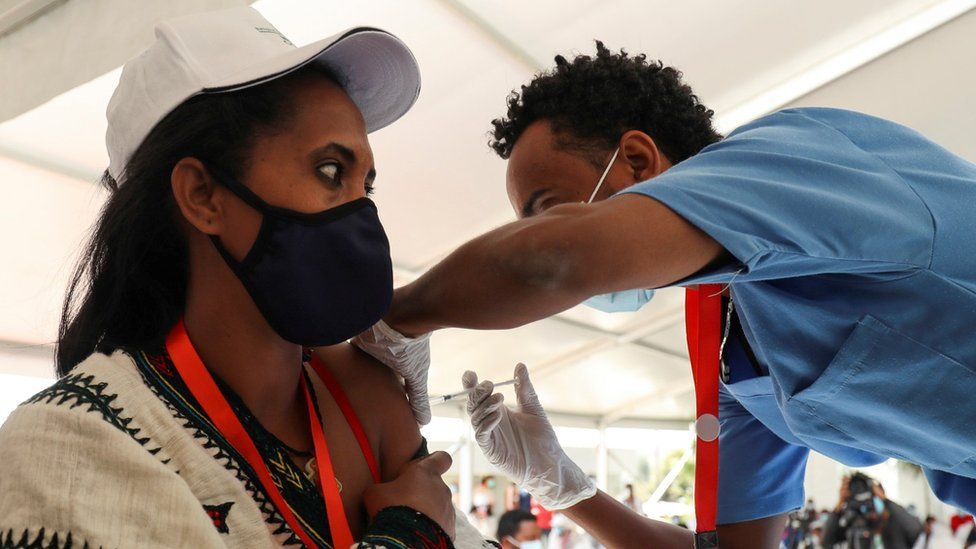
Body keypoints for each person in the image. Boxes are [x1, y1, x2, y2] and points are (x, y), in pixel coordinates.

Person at [352, 42, 976, 548]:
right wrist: (567, 488)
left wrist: (396, 320)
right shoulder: (737, 341)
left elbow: (551, 259)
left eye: (545, 211)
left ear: (637, 158)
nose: (532, 236)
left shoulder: (791, 156)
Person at [0, 7, 498, 548]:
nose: (360, 215)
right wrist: (411, 536)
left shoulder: (360, 395)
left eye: (365, 184)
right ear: (202, 195)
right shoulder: (72, 445)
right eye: (331, 171)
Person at [821, 474, 922, 549]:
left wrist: (885, 500)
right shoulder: (849, 524)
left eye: (871, 496)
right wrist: (839, 505)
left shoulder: (895, 525)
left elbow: (916, 531)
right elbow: (826, 542)